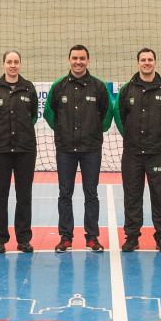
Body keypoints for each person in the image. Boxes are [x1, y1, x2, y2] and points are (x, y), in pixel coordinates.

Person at [44, 44, 114, 253]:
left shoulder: (99, 87)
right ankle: (66, 237)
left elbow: (107, 114)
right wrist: (62, 131)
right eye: (75, 58)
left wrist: (94, 132)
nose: (78, 62)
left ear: (88, 60)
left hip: (91, 149)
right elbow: (49, 113)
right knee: (65, 193)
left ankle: (92, 237)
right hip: (65, 149)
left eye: (82, 58)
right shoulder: (59, 87)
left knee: (91, 193)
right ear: (69, 60)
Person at [114, 48, 161, 253]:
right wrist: (131, 137)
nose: (146, 63)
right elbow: (119, 116)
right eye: (143, 60)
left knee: (160, 195)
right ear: (137, 63)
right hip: (132, 153)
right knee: (132, 195)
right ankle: (132, 237)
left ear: (155, 62)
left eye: (150, 59)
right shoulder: (127, 90)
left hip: (158, 152)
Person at [0, 50, 39, 254]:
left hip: (25, 149)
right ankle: (0, 239)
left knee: (24, 196)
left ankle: (24, 239)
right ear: (3, 64)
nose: (12, 65)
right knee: (0, 196)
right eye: (9, 62)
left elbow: (32, 116)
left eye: (16, 62)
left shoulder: (29, 88)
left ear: (20, 64)